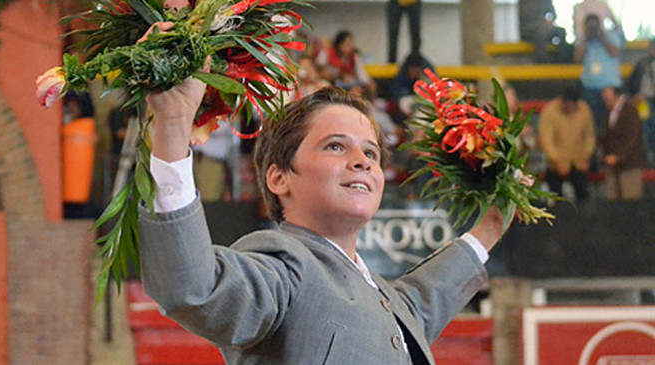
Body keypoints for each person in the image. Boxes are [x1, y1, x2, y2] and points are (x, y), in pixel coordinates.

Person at [139, 70, 512, 363]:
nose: (362, 161)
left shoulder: (389, 301)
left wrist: (491, 226)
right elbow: (195, 287)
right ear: (279, 177)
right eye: (335, 146)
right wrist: (172, 126)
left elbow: (425, 296)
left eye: (371, 154)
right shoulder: (282, 266)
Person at [538, 86, 596, 203]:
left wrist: (586, 154)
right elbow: (546, 140)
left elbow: (589, 135)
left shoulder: (584, 110)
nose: (571, 109)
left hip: (578, 161)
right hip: (556, 163)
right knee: (556, 194)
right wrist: (557, 160)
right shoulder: (549, 111)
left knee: (583, 195)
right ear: (562, 102)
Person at [574, 13, 623, 138]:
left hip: (609, 86)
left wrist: (602, 38)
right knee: (591, 124)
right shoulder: (582, 40)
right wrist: (586, 39)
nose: (592, 30)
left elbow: (615, 52)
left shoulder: (610, 36)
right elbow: (577, 58)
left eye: (594, 27)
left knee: (612, 121)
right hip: (590, 87)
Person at [601, 86, 646, 201]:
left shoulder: (630, 111)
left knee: (630, 201)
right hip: (613, 167)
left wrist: (617, 156)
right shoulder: (609, 112)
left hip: (630, 165)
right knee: (611, 201)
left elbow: (631, 138)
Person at [316, 30, 376, 95]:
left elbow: (361, 73)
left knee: (360, 89)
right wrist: (338, 76)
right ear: (339, 45)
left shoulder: (354, 56)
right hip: (331, 83)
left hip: (349, 83)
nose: (349, 47)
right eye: (346, 44)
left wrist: (369, 82)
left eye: (350, 44)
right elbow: (319, 69)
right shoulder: (327, 53)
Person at [627, 38, 655, 167]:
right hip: (644, 101)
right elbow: (630, 84)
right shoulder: (641, 64)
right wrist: (634, 96)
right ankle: (646, 164)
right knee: (644, 134)